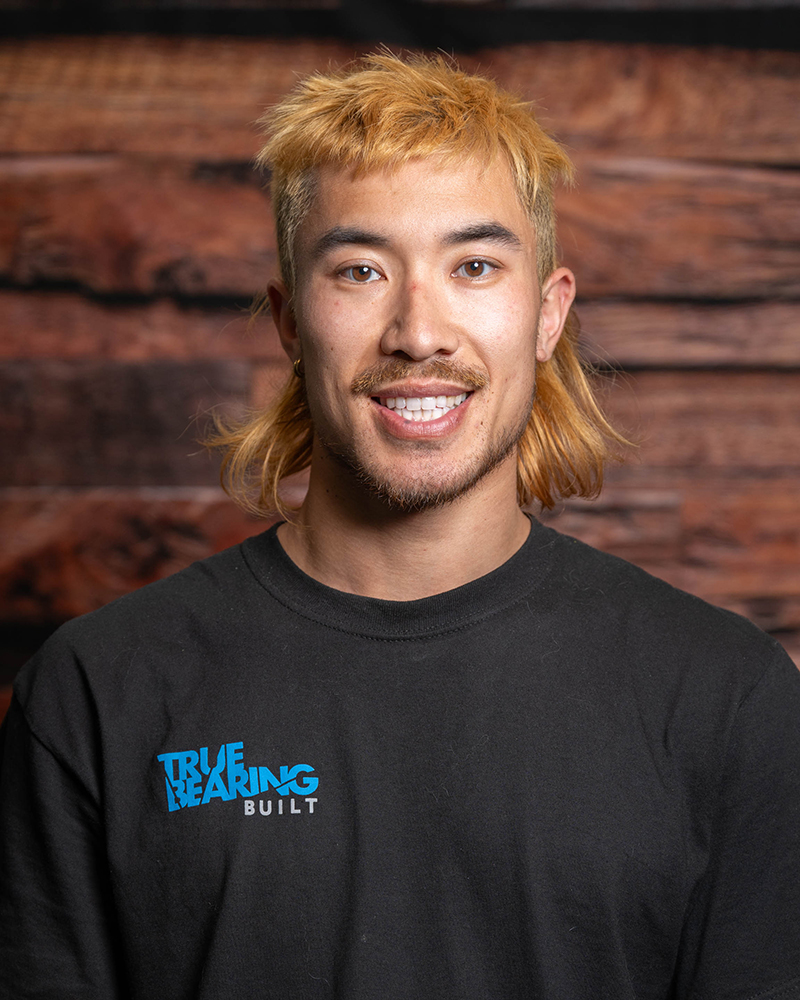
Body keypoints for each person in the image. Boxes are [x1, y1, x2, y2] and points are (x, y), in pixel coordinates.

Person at [1, 52, 799, 1000]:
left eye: (473, 265)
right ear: (291, 323)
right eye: (361, 269)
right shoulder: (98, 693)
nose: (418, 331)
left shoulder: (726, 699)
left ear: (547, 315)